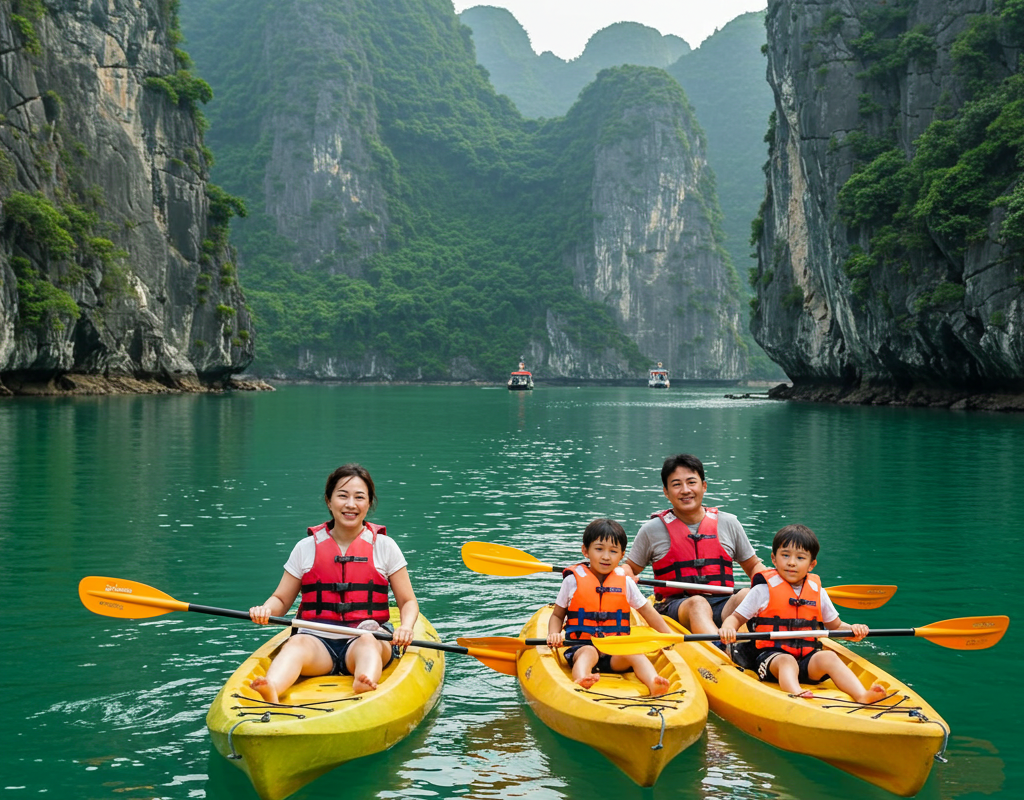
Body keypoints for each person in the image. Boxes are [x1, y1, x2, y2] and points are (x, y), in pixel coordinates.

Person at [248, 464, 418, 700]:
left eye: (359, 497)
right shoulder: (305, 548)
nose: (351, 504)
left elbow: (408, 601)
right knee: (296, 644)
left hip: (364, 638)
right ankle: (273, 687)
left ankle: (364, 680)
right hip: (317, 643)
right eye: (342, 496)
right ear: (329, 501)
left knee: (368, 642)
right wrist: (266, 610)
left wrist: (406, 626)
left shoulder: (385, 547)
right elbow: (281, 599)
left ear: (369, 503)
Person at [718, 524, 887, 703]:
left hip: (807, 660)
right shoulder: (762, 590)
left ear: (811, 564)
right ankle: (795, 692)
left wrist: (853, 631)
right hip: (770, 659)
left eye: (800, 557)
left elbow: (836, 626)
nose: (791, 562)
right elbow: (735, 618)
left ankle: (861, 695)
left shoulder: (817, 592)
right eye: (785, 555)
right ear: (774, 559)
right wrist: (728, 628)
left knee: (828, 656)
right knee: (786, 660)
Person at [624, 454, 765, 635]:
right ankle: (720, 649)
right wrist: (624, 575)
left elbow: (753, 566)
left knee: (747, 594)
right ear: (666, 492)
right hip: (675, 607)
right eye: (676, 485)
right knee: (697, 603)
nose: (685, 490)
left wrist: (772, 583)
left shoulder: (729, 523)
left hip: (722, 604)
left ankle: (745, 646)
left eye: (691, 482)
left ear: (703, 486)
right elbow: (630, 568)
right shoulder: (651, 530)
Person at [547, 518, 674, 696]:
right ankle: (582, 679)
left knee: (635, 654)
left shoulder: (626, 582)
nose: (606, 556)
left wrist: (668, 635)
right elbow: (558, 615)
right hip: (581, 645)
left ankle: (654, 684)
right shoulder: (572, 580)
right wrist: (553, 634)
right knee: (588, 653)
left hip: (615, 650)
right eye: (599, 549)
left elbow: (647, 611)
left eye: (613, 551)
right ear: (586, 550)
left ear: (622, 555)